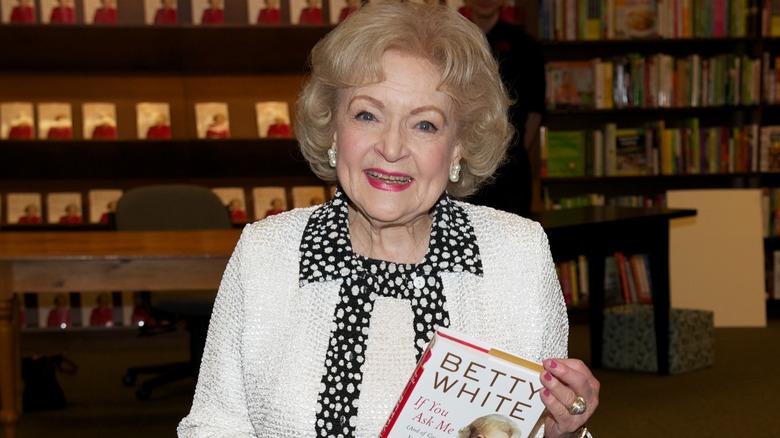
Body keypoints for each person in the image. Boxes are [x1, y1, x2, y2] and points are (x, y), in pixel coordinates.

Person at [177, 3, 599, 438]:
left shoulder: (518, 255)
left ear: (458, 148)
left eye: (425, 125)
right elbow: (213, 427)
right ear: (333, 129)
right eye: (367, 115)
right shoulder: (265, 255)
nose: (392, 147)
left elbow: (535, 427)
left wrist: (562, 431)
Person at [466, 0, 546, 218]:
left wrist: (508, 150)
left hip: (511, 167)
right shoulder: (456, 40)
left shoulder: (525, 45)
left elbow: (535, 112)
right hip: (465, 163)